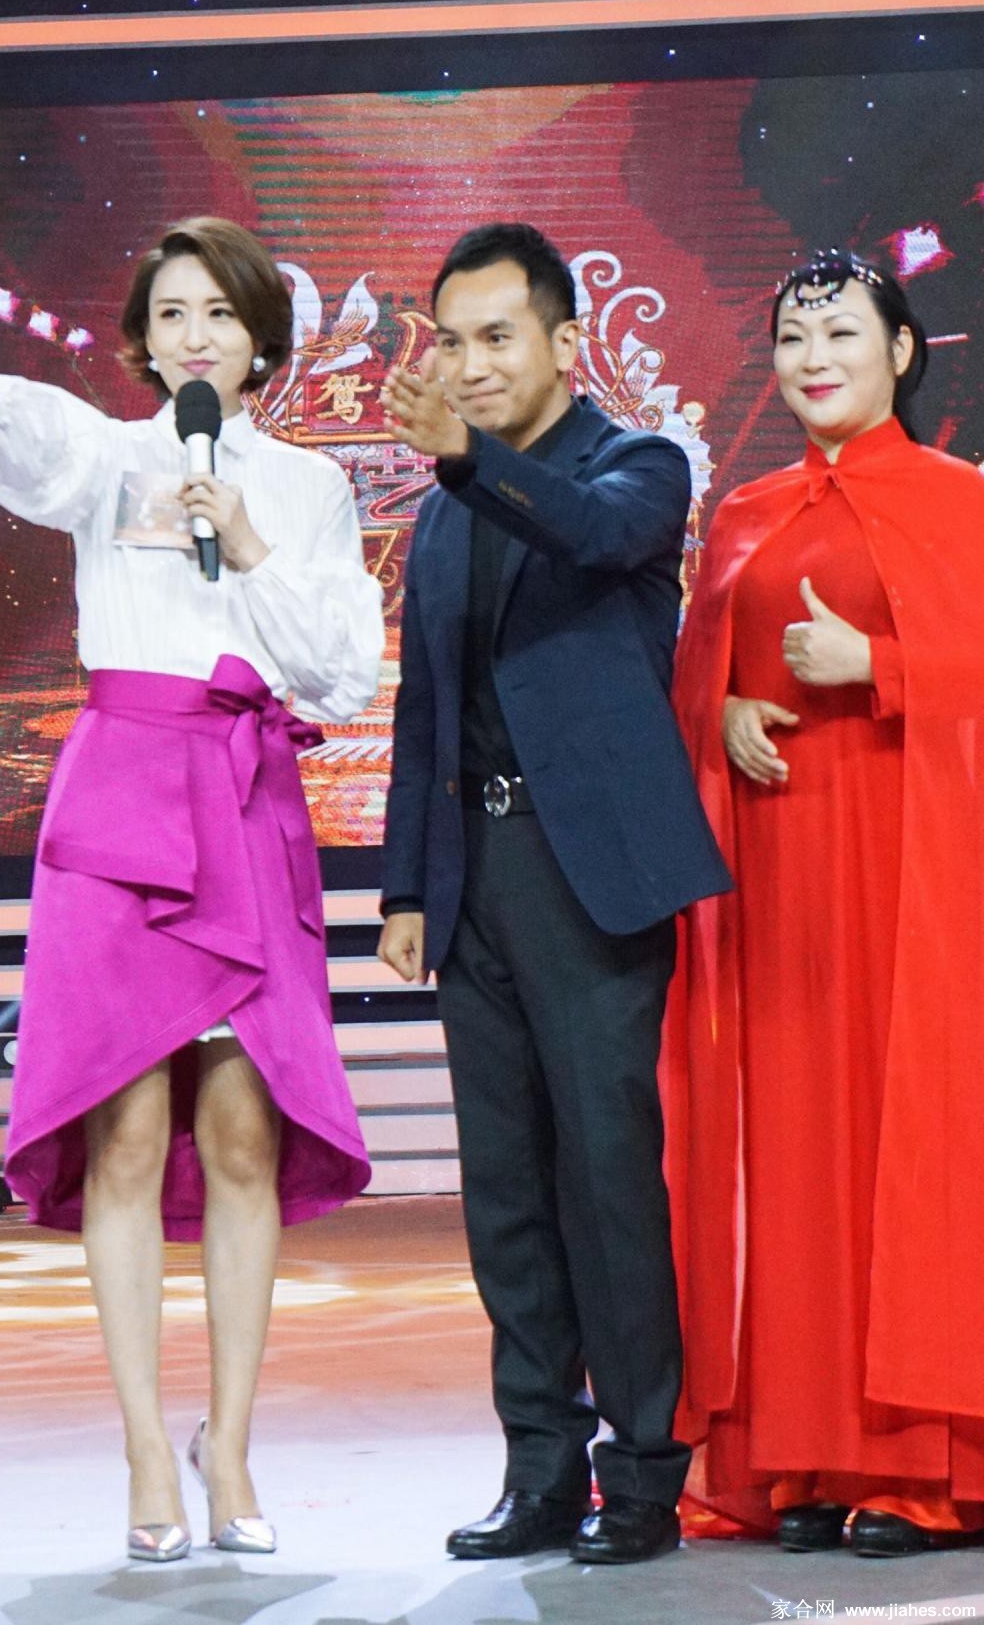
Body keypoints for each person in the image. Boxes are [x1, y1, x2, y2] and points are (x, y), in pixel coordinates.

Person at [0, 216, 382, 1563]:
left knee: (247, 1135)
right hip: (122, 802)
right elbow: (42, 452)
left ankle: (232, 1446)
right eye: (169, 316)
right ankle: (149, 1448)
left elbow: (340, 674)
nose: (194, 337)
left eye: (219, 314)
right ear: (145, 342)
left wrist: (248, 546)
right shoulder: (114, 457)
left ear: (261, 338)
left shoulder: (310, 487)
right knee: (130, 1133)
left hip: (246, 802)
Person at [377, 222, 729, 1565]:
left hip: (591, 881)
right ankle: (539, 1468)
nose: (468, 365)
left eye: (497, 337)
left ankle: (641, 1474)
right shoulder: (439, 518)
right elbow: (423, 713)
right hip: (473, 882)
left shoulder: (635, 466)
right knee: (507, 1191)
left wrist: (471, 463)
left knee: (607, 1181)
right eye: (450, 342)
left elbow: (593, 534)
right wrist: (406, 887)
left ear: (565, 342)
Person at [666, 247, 984, 1557]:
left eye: (842, 333)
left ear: (901, 353)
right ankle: (806, 1455)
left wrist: (882, 663)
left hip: (920, 875)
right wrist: (726, 708)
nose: (814, 358)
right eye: (794, 337)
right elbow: (695, 676)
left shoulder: (964, 504)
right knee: (792, 1155)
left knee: (912, 1146)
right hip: (781, 875)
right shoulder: (744, 514)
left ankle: (922, 1472)